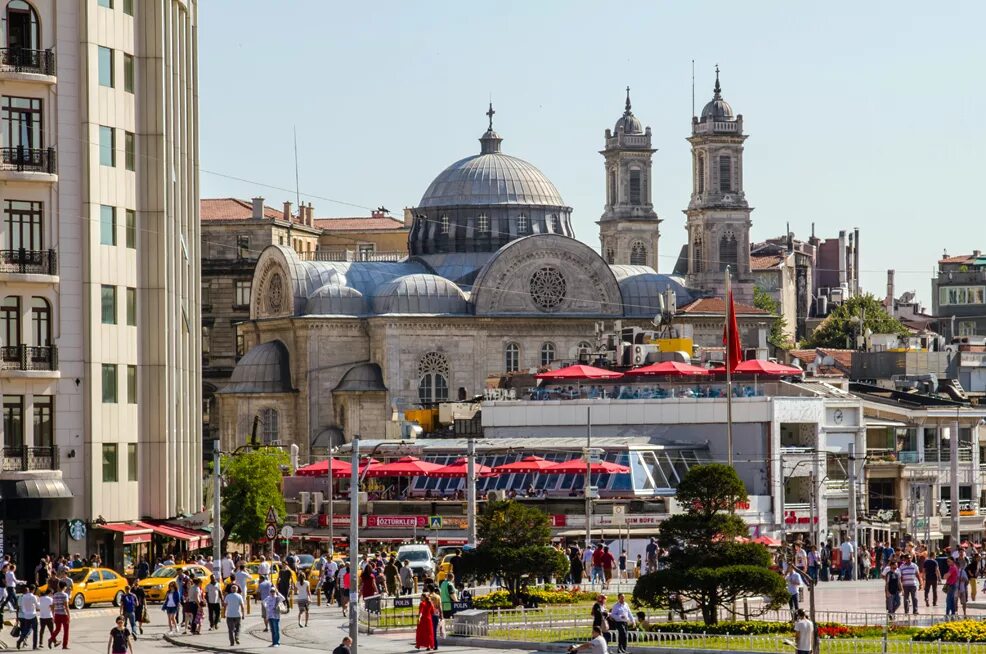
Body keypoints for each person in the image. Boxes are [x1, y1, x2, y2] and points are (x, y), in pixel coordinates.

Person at [16, 583, 40, 651]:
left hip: (26, 616)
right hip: (33, 615)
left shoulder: (24, 597)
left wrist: (26, 612)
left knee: (26, 630)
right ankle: (34, 646)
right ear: (34, 590)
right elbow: (37, 606)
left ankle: (19, 641)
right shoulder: (33, 597)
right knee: (35, 631)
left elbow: (22, 606)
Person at [48, 580, 71, 649]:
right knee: (66, 631)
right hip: (64, 614)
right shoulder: (65, 595)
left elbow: (53, 606)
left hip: (57, 614)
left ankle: (51, 638)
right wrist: (69, 615)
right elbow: (66, 606)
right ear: (64, 587)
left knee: (57, 629)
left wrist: (53, 615)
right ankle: (64, 645)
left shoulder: (55, 595)